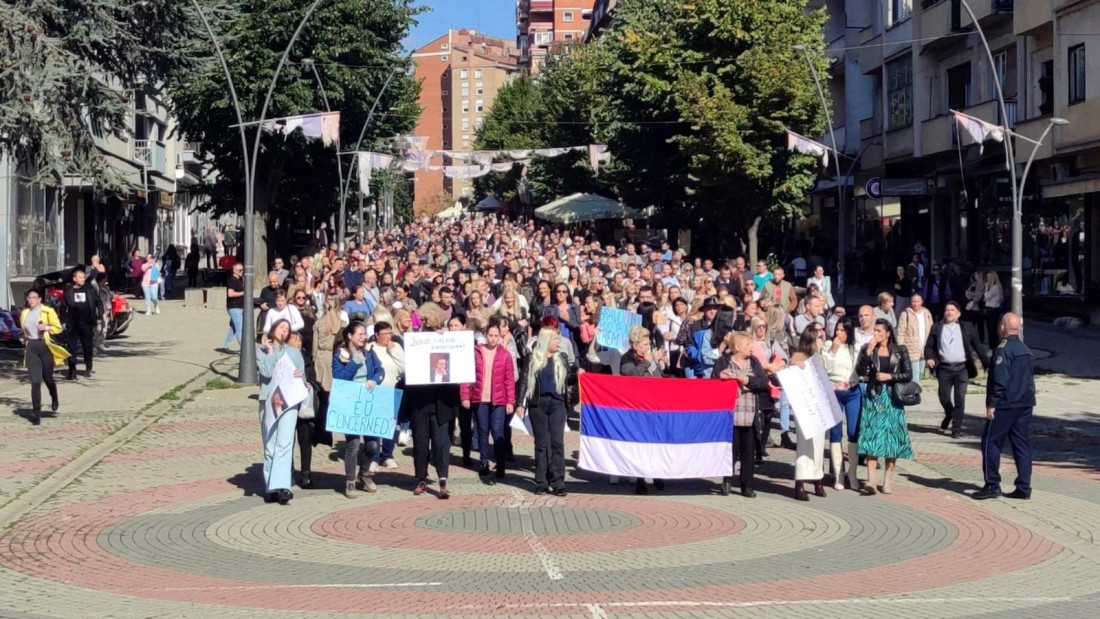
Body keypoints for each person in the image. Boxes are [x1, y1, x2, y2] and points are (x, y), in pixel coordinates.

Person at [974, 313, 1035, 500]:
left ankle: (992, 485)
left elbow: (1000, 379)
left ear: (1002, 327)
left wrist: (992, 403)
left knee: (990, 442)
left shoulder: (1003, 349)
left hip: (1006, 404)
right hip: (1025, 403)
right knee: (1021, 445)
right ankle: (1024, 487)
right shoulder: (1025, 349)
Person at [856, 319, 915, 495]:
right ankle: (871, 481)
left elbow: (908, 374)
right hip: (874, 397)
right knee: (872, 438)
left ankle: (887, 481)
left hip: (892, 399)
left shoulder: (900, 350)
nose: (876, 333)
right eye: (875, 330)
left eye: (879, 331)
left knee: (892, 440)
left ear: (888, 333)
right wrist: (867, 351)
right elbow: (860, 372)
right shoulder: (868, 349)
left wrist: (889, 376)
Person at [405, 303, 457, 499]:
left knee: (441, 442)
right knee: (420, 441)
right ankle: (421, 478)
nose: (424, 322)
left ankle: (443, 479)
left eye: (427, 318)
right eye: (422, 319)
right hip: (420, 400)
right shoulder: (416, 338)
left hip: (442, 400)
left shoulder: (445, 337)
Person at [712, 331, 771, 498]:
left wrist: (749, 381)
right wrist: (719, 377)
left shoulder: (753, 362)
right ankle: (727, 479)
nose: (751, 347)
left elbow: (763, 383)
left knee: (748, 452)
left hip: (750, 415)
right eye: (747, 345)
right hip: (730, 415)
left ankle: (746, 485)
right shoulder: (723, 361)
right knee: (730, 451)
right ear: (737, 347)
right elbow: (711, 384)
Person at [256, 319, 307, 505]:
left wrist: (301, 378)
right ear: (273, 329)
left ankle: (283, 486)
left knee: (285, 443)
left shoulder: (294, 352)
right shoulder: (261, 350)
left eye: (287, 329)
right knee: (270, 445)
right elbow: (266, 372)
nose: (284, 331)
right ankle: (270, 486)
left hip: (289, 401)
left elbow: (302, 375)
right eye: (281, 327)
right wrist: (269, 353)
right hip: (269, 401)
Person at [332, 322, 385, 497]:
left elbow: (380, 370)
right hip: (350, 403)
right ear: (350, 336)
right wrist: (354, 363)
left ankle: (364, 473)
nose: (363, 337)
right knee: (353, 444)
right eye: (360, 334)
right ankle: (349, 481)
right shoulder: (341, 354)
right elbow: (339, 377)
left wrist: (375, 380)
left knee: (372, 445)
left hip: (369, 403)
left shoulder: (369, 353)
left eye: (364, 334)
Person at [461, 322, 517, 483]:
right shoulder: (477, 352)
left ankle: (500, 464)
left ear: (500, 337)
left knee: (498, 432)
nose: (493, 339)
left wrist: (510, 401)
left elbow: (509, 380)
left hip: (499, 399)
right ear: (486, 336)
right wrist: (465, 395)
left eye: (496, 336)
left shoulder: (504, 354)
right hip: (480, 398)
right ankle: (483, 462)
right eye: (490, 335)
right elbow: (467, 375)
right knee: (482, 431)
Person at [925, 301, 987, 439]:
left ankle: (956, 428)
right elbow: (929, 346)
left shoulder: (967, 327)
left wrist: (987, 364)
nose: (949, 313)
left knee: (960, 398)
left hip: (962, 369)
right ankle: (949, 412)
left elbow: (978, 346)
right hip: (944, 369)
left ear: (958, 313)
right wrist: (929, 358)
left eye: (952, 310)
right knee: (944, 397)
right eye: (947, 310)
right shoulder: (937, 327)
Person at [789, 327, 829, 501]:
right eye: (820, 337)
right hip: (805, 408)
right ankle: (800, 483)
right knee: (805, 445)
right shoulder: (798, 357)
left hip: (819, 407)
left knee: (819, 444)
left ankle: (817, 477)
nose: (823, 339)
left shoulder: (819, 357)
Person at [822, 317, 861, 490]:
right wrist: (833, 349)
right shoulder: (828, 346)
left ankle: (852, 473)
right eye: (837, 329)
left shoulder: (855, 347)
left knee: (853, 431)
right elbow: (826, 369)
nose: (839, 333)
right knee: (836, 432)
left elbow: (860, 368)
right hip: (835, 392)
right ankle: (838, 474)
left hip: (852, 391)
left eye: (842, 330)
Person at [19, 289, 68, 425]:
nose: (31, 300)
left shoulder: (47, 311)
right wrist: (23, 338)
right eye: (29, 298)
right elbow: (24, 330)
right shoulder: (25, 313)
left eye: (34, 298)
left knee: (48, 378)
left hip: (45, 347)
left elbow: (58, 328)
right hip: (32, 348)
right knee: (35, 381)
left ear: (39, 299)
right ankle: (36, 412)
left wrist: (46, 327)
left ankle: (54, 396)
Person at [367, 321, 405, 471]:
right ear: (376, 335)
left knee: (390, 425)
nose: (388, 336)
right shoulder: (370, 349)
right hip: (377, 391)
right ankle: (374, 457)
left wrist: (394, 350)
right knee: (376, 425)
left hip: (393, 390)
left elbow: (404, 368)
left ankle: (388, 455)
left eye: (390, 333)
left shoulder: (396, 347)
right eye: (384, 334)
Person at [63, 266, 103, 380]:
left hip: (86, 323)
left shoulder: (90, 290)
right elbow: (63, 307)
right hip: (73, 324)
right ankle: (72, 371)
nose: (82, 279)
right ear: (74, 279)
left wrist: (100, 316)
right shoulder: (69, 290)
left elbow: (98, 303)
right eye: (80, 278)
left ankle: (88, 367)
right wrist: (63, 321)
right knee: (71, 348)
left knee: (87, 346)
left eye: (83, 277)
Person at [896, 292, 933, 384]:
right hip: (911, 348)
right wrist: (901, 349)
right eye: (913, 301)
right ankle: (914, 394)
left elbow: (931, 328)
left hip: (923, 348)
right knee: (915, 373)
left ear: (922, 302)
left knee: (921, 371)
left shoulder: (926, 312)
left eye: (918, 301)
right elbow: (900, 332)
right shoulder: (905, 314)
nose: (915, 304)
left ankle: (914, 390)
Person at [222, 263, 245, 353]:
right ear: (234, 270)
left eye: (243, 270)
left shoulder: (239, 280)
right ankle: (244, 349)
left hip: (239, 306)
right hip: (234, 307)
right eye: (240, 270)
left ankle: (225, 345)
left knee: (234, 328)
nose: (242, 272)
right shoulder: (232, 280)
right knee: (239, 328)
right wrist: (243, 293)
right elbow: (230, 294)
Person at [982, 271, 1005, 348]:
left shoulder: (995, 287)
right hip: (990, 308)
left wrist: (986, 288)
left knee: (992, 329)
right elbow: (985, 299)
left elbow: (987, 296)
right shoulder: (992, 287)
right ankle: (993, 345)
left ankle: (993, 346)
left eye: (989, 278)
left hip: (993, 309)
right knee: (990, 329)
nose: (987, 279)